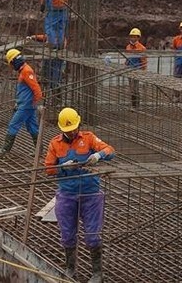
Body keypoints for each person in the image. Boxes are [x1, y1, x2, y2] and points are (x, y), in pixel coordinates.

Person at [44, 107, 115, 282]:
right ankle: (70, 268)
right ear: (61, 129)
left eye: (74, 128)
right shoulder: (55, 144)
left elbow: (110, 150)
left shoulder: (89, 138)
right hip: (67, 194)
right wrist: (62, 167)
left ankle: (97, 273)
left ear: (78, 124)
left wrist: (98, 155)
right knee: (67, 234)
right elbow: (48, 169)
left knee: (93, 235)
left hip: (90, 194)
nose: (72, 132)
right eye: (68, 130)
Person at [0, 49, 43, 155]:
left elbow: (36, 88)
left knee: (13, 125)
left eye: (11, 63)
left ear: (15, 61)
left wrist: (37, 103)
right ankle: (39, 151)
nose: (11, 66)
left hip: (26, 106)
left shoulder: (27, 71)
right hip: (26, 104)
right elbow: (25, 91)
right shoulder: (23, 70)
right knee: (32, 127)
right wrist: (19, 102)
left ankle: (5, 150)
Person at [125, 27, 147, 107]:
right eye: (132, 36)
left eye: (135, 36)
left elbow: (144, 61)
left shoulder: (141, 48)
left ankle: (136, 105)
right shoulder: (128, 47)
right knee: (131, 88)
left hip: (137, 70)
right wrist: (125, 66)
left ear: (138, 37)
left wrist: (143, 71)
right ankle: (133, 103)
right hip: (129, 70)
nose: (133, 38)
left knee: (136, 88)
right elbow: (127, 59)